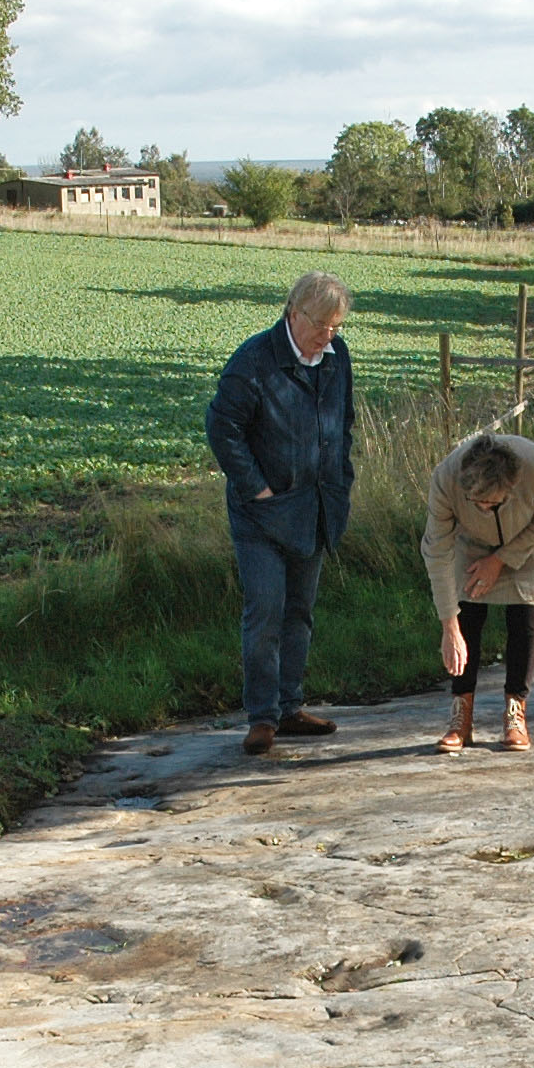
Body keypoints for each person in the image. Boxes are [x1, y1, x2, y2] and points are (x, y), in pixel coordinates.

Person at [207, 271, 355, 755]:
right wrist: (258, 488)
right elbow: (222, 427)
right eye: (321, 326)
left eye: (335, 327)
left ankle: (290, 708)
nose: (327, 337)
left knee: (300, 613)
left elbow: (343, 424)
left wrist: (340, 480)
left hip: (314, 510)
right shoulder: (254, 362)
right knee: (265, 611)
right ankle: (262, 717)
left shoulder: (337, 359)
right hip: (261, 517)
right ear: (294, 312)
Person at [423, 430, 534, 751]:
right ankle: (462, 716)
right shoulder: (446, 479)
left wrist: (501, 559)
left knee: (524, 616)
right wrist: (449, 625)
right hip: (471, 542)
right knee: (467, 615)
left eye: (492, 502)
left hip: (530, 538)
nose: (485, 508)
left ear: (510, 486)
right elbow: (437, 552)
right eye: (478, 503)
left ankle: (516, 713)